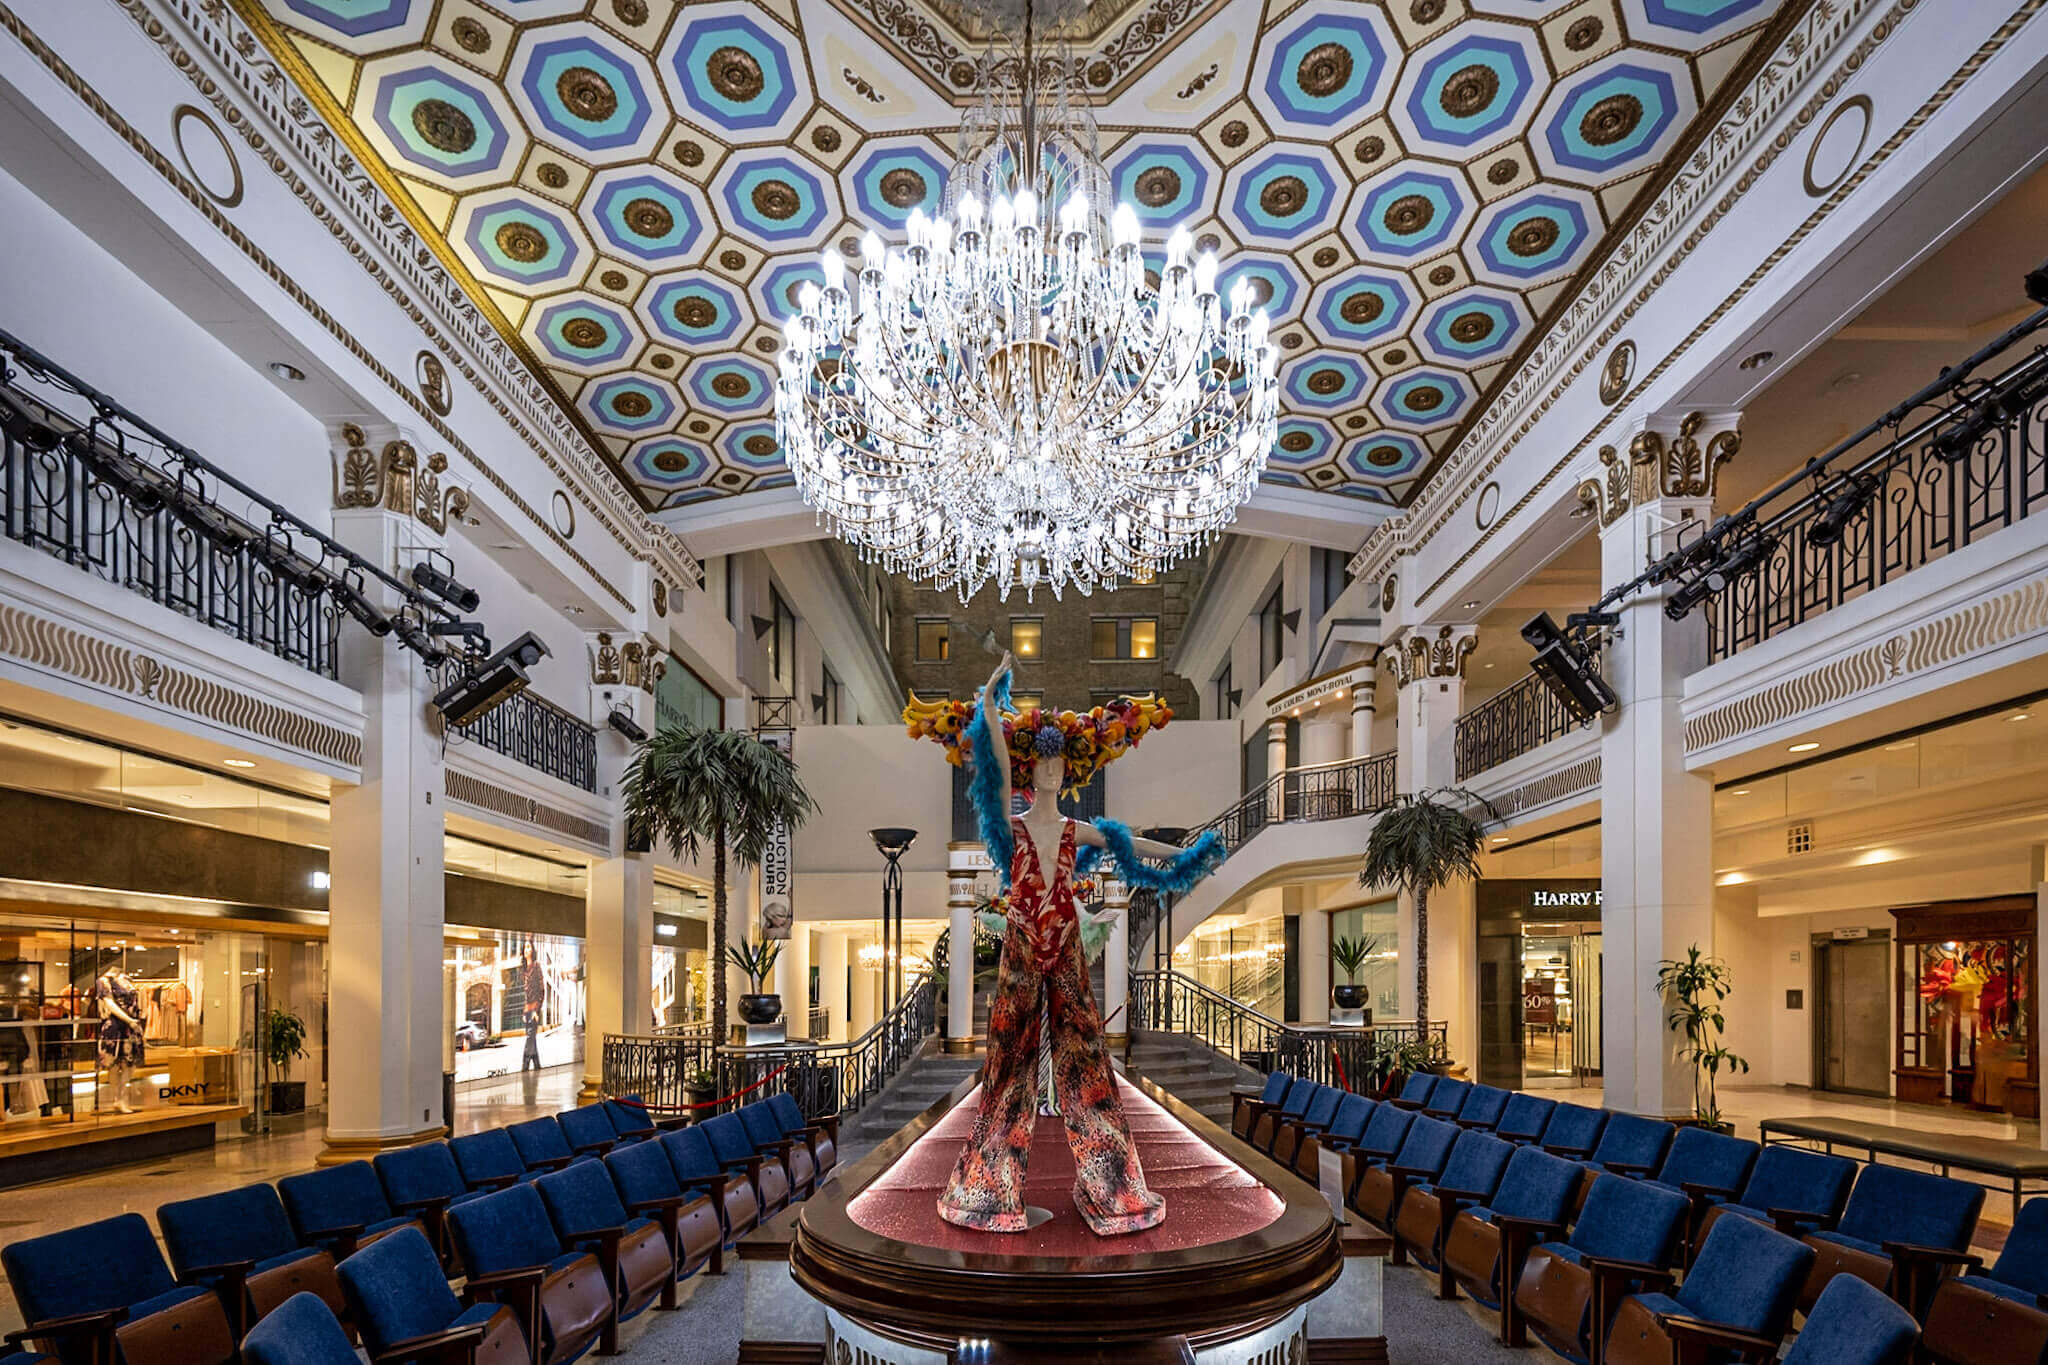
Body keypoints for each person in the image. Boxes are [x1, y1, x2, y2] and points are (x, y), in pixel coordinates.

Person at [904, 653, 1226, 1236]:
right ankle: (986, 1193)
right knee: (1007, 1069)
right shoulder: (1013, 825)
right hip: (1023, 954)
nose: (1051, 773)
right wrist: (991, 693)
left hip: (1068, 951)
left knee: (1088, 1067)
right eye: (1043, 765)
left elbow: (1135, 843)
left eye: (1058, 766)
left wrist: (1191, 855)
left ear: (1067, 773)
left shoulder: (1078, 831)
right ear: (1034, 772)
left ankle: (1113, 1192)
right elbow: (993, 762)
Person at [519, 945, 543, 1073]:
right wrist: (525, 1011)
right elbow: (526, 994)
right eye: (525, 947)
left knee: (529, 1038)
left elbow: (541, 990)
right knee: (531, 1038)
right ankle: (537, 1065)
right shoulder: (525, 970)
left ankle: (525, 1066)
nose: (526, 950)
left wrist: (537, 1010)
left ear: (533, 950)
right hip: (527, 1010)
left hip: (534, 1009)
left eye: (529, 947)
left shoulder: (536, 966)